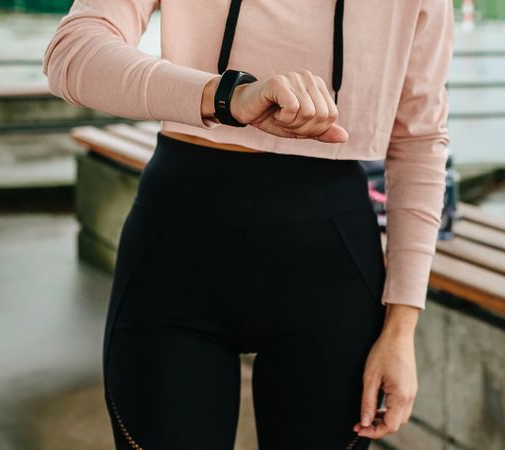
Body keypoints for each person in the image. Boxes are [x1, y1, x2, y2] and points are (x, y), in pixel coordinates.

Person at [41, 0, 453, 447]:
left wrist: (402, 327)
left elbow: (419, 140)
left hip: (331, 277)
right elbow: (73, 53)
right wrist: (226, 96)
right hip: (176, 261)